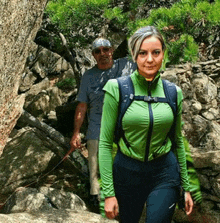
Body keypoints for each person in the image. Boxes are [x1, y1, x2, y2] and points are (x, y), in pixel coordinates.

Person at [99, 26, 194, 222]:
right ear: (134, 55)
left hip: (164, 173)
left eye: (155, 52)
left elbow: (177, 141)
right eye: (143, 53)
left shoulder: (172, 93)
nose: (149, 59)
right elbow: (105, 143)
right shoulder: (117, 89)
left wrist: (186, 187)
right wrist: (108, 193)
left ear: (163, 54)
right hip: (126, 173)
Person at [69, 38, 136, 210]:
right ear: (93, 55)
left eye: (105, 49)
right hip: (98, 125)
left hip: (126, 123)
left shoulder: (127, 65)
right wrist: (76, 132)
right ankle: (96, 197)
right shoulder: (88, 76)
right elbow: (82, 106)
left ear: (112, 50)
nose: (102, 54)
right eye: (98, 51)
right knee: (95, 159)